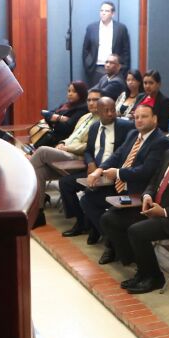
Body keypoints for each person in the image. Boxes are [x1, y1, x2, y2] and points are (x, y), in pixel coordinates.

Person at [99, 118, 169, 293]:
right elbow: (154, 181)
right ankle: (141, 266)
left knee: (136, 231)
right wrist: (147, 195)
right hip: (154, 208)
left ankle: (154, 277)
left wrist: (165, 212)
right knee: (110, 218)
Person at [75, 104, 169, 243]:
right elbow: (117, 155)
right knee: (88, 199)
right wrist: (99, 170)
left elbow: (146, 171)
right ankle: (112, 240)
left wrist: (118, 173)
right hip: (120, 184)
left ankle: (113, 242)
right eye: (136, 117)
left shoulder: (160, 141)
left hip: (137, 190)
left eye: (144, 116)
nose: (139, 120)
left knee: (110, 215)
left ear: (154, 119)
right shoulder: (133, 134)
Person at [58, 98, 132, 236]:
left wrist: (103, 170)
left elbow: (123, 153)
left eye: (112, 110)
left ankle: (96, 228)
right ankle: (81, 222)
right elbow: (88, 150)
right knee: (65, 183)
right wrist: (91, 163)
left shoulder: (125, 127)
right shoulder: (94, 127)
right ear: (98, 112)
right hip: (94, 170)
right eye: (106, 111)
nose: (110, 113)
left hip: (111, 174)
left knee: (90, 193)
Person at [28, 87, 100, 217]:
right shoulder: (85, 117)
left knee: (42, 151)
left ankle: (23, 190)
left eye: (95, 100)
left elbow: (89, 146)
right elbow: (72, 136)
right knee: (40, 171)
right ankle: (38, 212)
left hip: (78, 157)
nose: (91, 103)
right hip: (66, 151)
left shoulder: (101, 121)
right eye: (89, 100)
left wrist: (67, 148)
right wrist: (62, 143)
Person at [81, 0, 130, 84]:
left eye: (106, 11)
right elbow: (85, 49)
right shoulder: (91, 28)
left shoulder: (121, 29)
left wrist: (122, 68)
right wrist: (88, 65)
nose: (103, 13)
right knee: (96, 95)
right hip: (96, 69)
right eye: (101, 10)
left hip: (115, 69)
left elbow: (126, 51)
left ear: (113, 13)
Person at [37, 79, 90, 146]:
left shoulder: (83, 108)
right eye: (69, 91)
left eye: (74, 91)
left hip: (63, 141)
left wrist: (54, 119)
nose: (70, 94)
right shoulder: (65, 105)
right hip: (52, 135)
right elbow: (46, 113)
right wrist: (60, 118)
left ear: (81, 93)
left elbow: (67, 128)